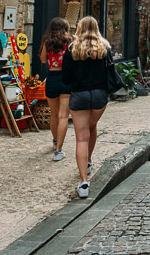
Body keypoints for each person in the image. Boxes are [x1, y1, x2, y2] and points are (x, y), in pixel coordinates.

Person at [61, 16, 111, 199]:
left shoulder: (72, 50)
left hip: (79, 96)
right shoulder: (104, 49)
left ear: (79, 29)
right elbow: (109, 73)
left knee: (81, 138)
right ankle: (88, 160)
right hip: (99, 97)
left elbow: (65, 78)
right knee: (92, 126)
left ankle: (83, 182)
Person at [39, 17, 71, 162]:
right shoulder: (69, 41)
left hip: (52, 77)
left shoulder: (47, 41)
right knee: (63, 116)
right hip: (65, 78)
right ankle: (59, 150)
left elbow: (43, 60)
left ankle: (54, 141)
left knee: (53, 114)